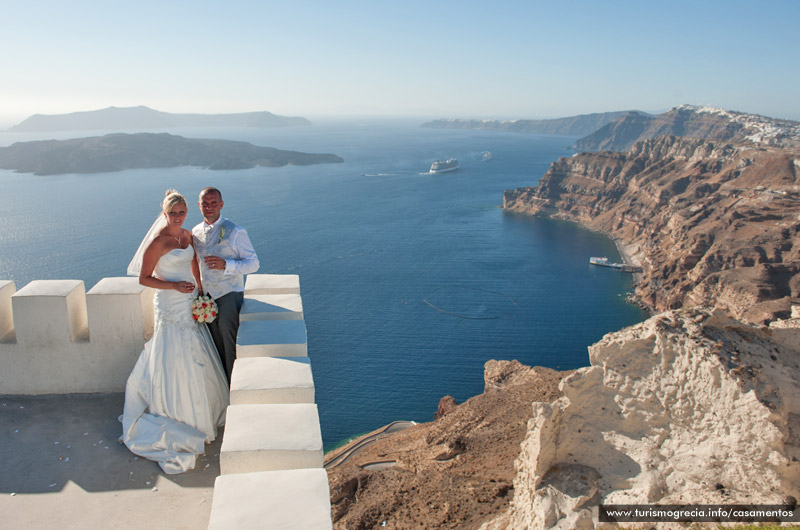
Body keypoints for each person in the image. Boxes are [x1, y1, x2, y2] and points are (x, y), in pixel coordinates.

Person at [121, 189, 229, 474]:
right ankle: (179, 414)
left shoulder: (187, 237)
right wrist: (173, 287)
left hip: (189, 299)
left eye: (182, 212)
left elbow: (193, 259)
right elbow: (144, 278)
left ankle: (204, 411)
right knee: (173, 352)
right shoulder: (158, 242)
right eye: (174, 213)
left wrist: (200, 287)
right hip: (169, 303)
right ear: (165, 214)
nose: (179, 216)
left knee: (195, 348)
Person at [192, 187, 259, 383]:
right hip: (207, 298)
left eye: (214, 203)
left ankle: (234, 386)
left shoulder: (236, 231)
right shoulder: (195, 232)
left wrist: (226, 265)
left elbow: (254, 263)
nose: (209, 207)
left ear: (221, 204)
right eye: (205, 203)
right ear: (199, 206)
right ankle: (221, 388)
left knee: (230, 346)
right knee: (214, 346)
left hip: (229, 295)